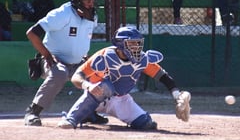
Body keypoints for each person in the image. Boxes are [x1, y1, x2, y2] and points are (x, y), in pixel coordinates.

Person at [57, 26, 191, 129]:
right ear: (121, 45)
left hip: (121, 99)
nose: (137, 47)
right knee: (106, 86)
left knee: (145, 124)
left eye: (138, 43)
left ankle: (90, 115)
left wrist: (176, 95)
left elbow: (163, 76)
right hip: (97, 95)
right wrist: (89, 86)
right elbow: (77, 76)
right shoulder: (105, 55)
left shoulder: (142, 59)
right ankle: (71, 119)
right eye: (132, 44)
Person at [24, 0, 106, 126]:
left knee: (99, 74)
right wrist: (47, 55)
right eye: (88, 0)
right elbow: (31, 33)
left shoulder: (92, 16)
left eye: (93, 0)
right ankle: (32, 112)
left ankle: (88, 112)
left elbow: (83, 38)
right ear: (77, 1)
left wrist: (85, 57)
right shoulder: (62, 14)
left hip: (77, 62)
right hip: (53, 60)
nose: (91, 4)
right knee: (59, 74)